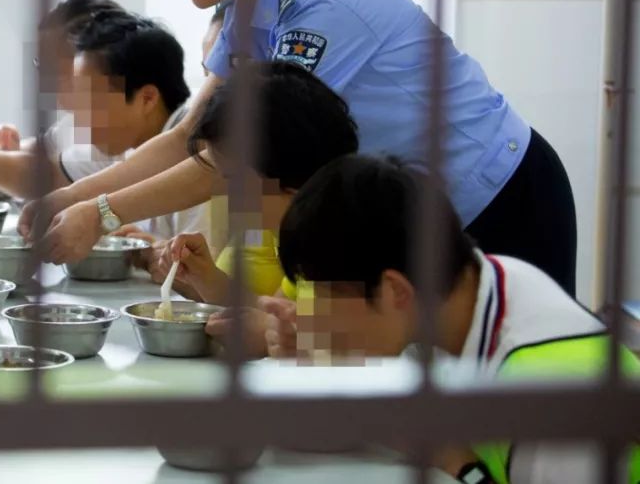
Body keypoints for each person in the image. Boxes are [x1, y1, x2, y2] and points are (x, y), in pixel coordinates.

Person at [22, 0, 578, 296]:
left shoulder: (323, 6)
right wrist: (69, 199)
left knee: (514, 390)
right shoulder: (246, 4)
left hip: (502, 196)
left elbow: (239, 155)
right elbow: (195, 132)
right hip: (425, 212)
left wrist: (100, 214)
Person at [272, 154, 639, 482]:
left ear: (395, 290)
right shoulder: (481, 282)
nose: (313, 316)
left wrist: (458, 461)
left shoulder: (550, 400)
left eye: (324, 297)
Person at [0, 13, 206, 240]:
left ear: (146, 98)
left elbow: (206, 272)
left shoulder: (202, 156)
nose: (79, 119)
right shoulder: (129, 138)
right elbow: (53, 174)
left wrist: (154, 253)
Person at [153, 60, 357, 308]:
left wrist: (265, 330)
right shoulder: (287, 223)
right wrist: (206, 278)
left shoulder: (343, 241)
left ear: (287, 178)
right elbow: (274, 310)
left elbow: (315, 334)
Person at [0, 0, 126, 174]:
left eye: (51, 68)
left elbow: (52, 178)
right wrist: (8, 146)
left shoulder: (112, 135)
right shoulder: (74, 123)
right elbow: (39, 149)